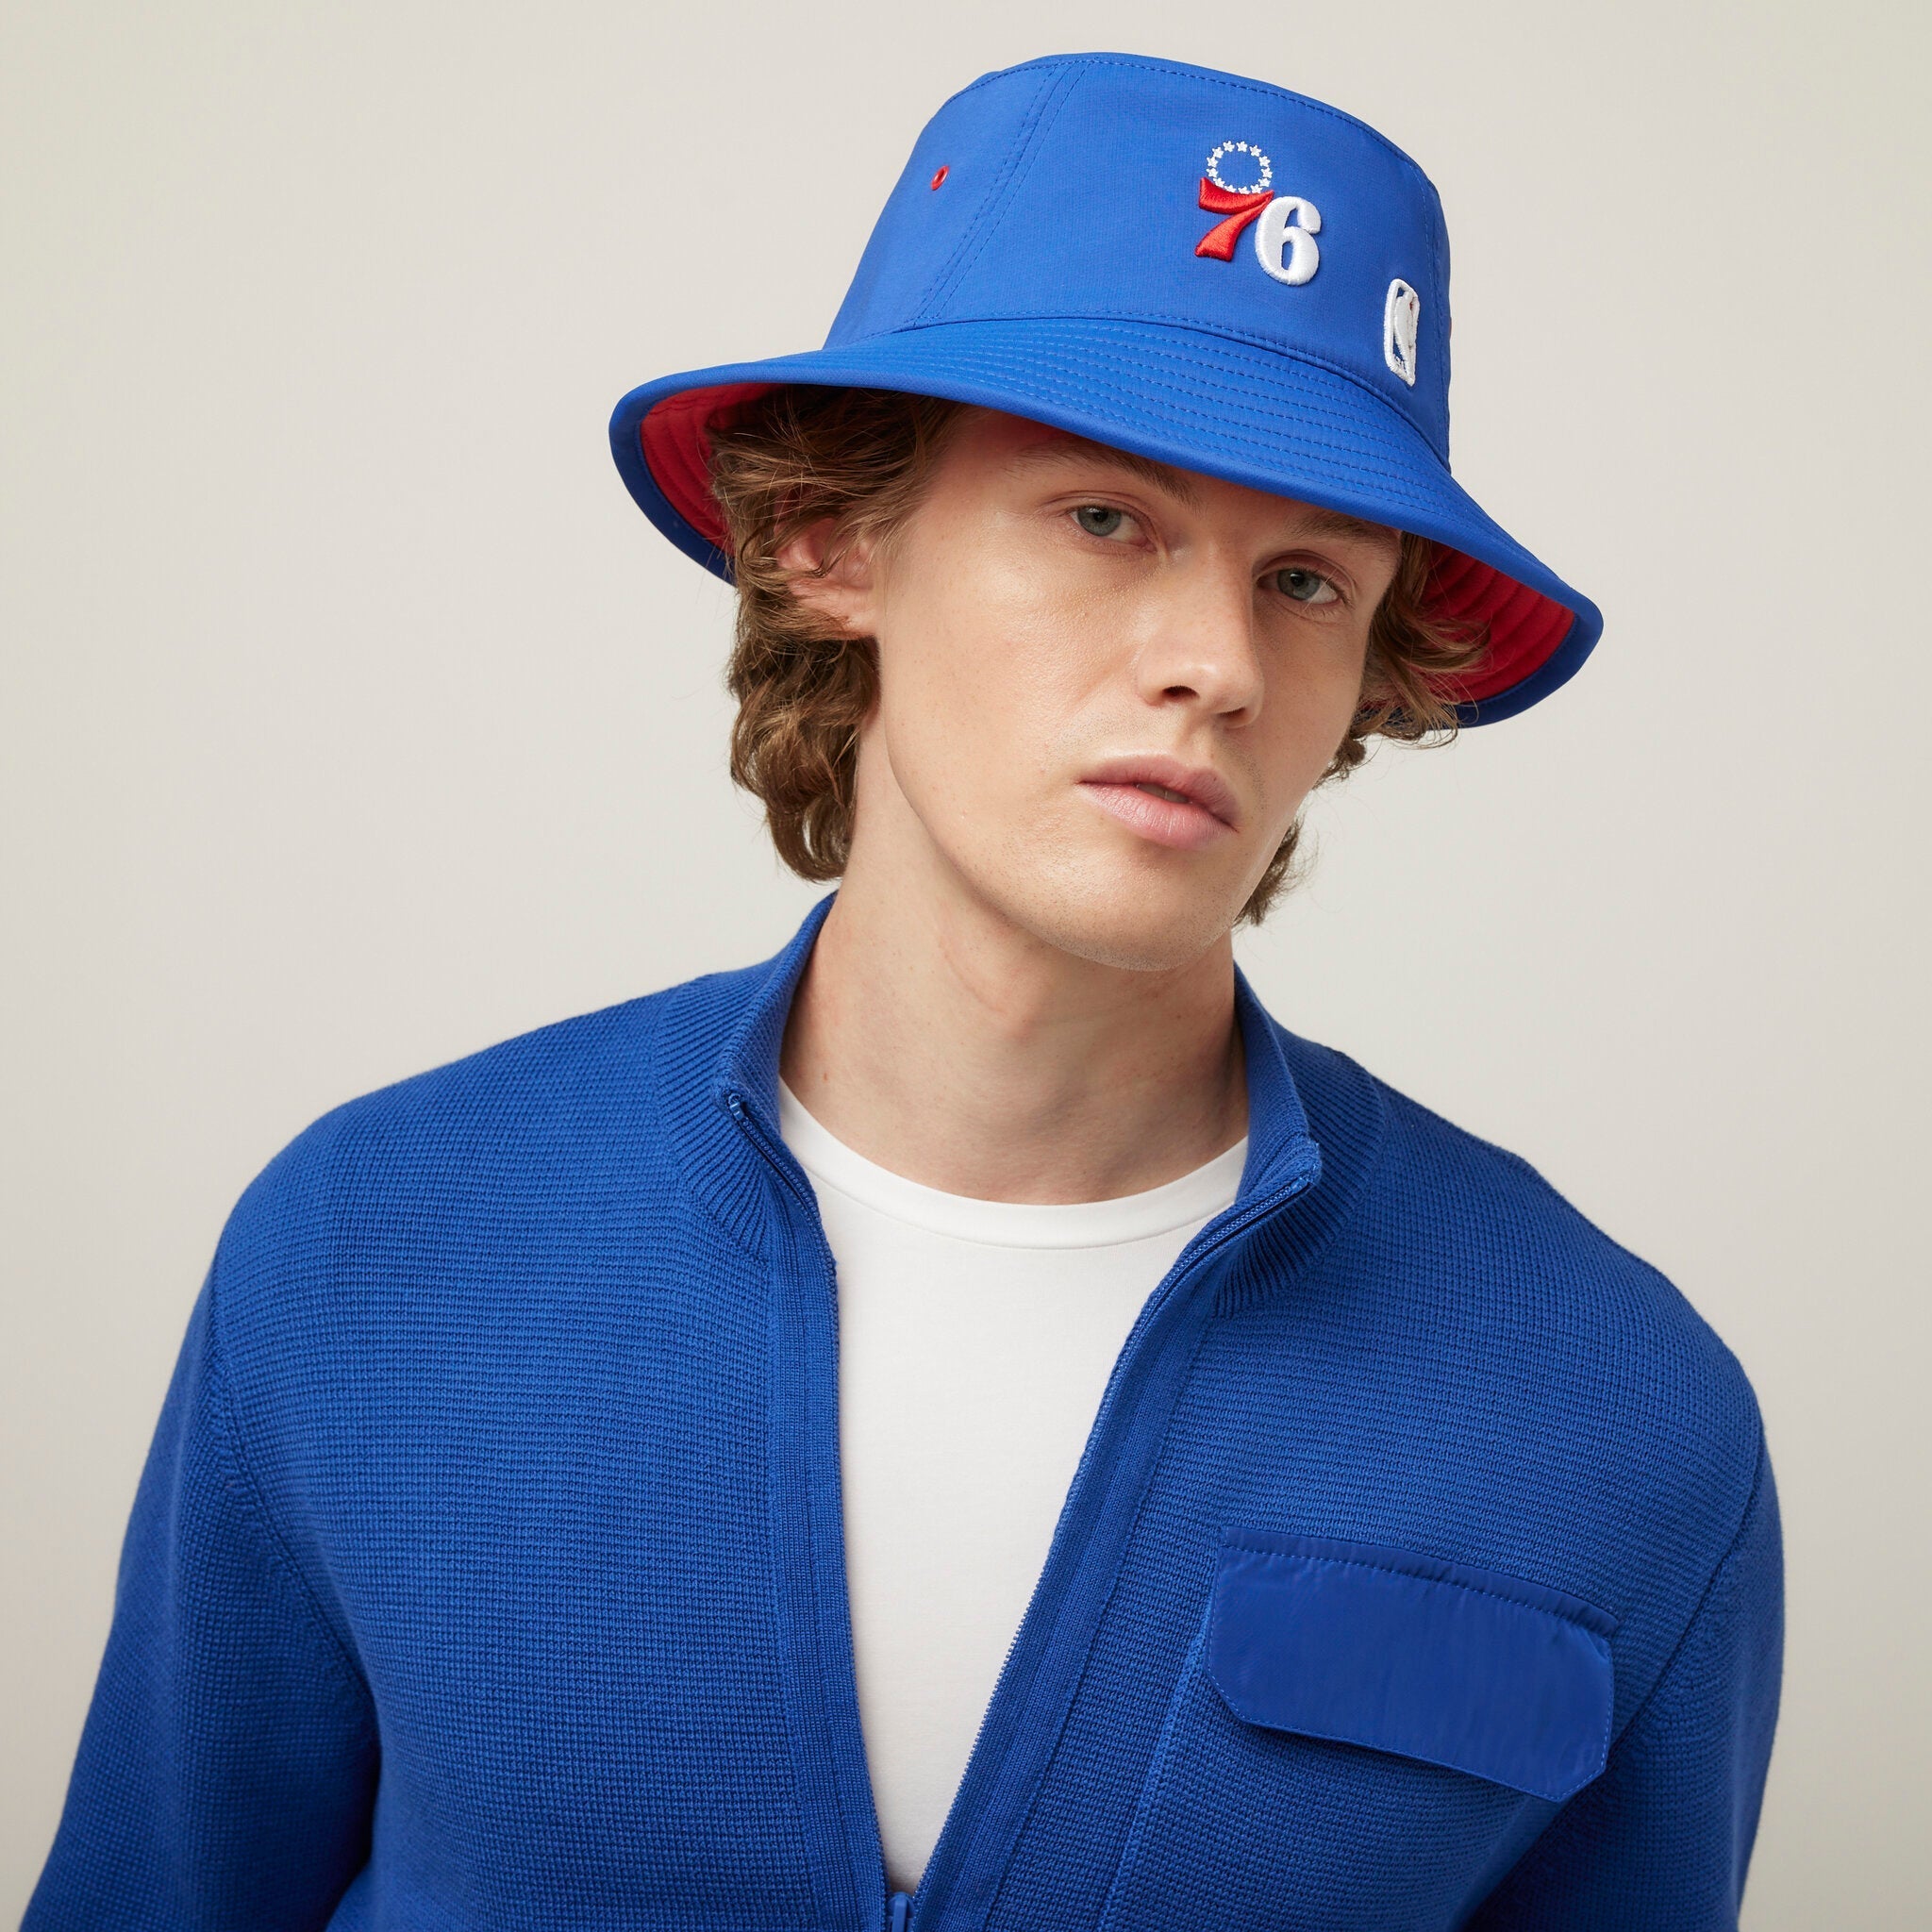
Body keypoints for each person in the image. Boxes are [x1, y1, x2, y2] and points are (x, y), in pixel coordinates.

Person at [27, 50, 1781, 1932]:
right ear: (830, 538)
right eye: (1105, 518)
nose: (1213, 661)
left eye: (1304, 582)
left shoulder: (1611, 1421)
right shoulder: (375, 1253)